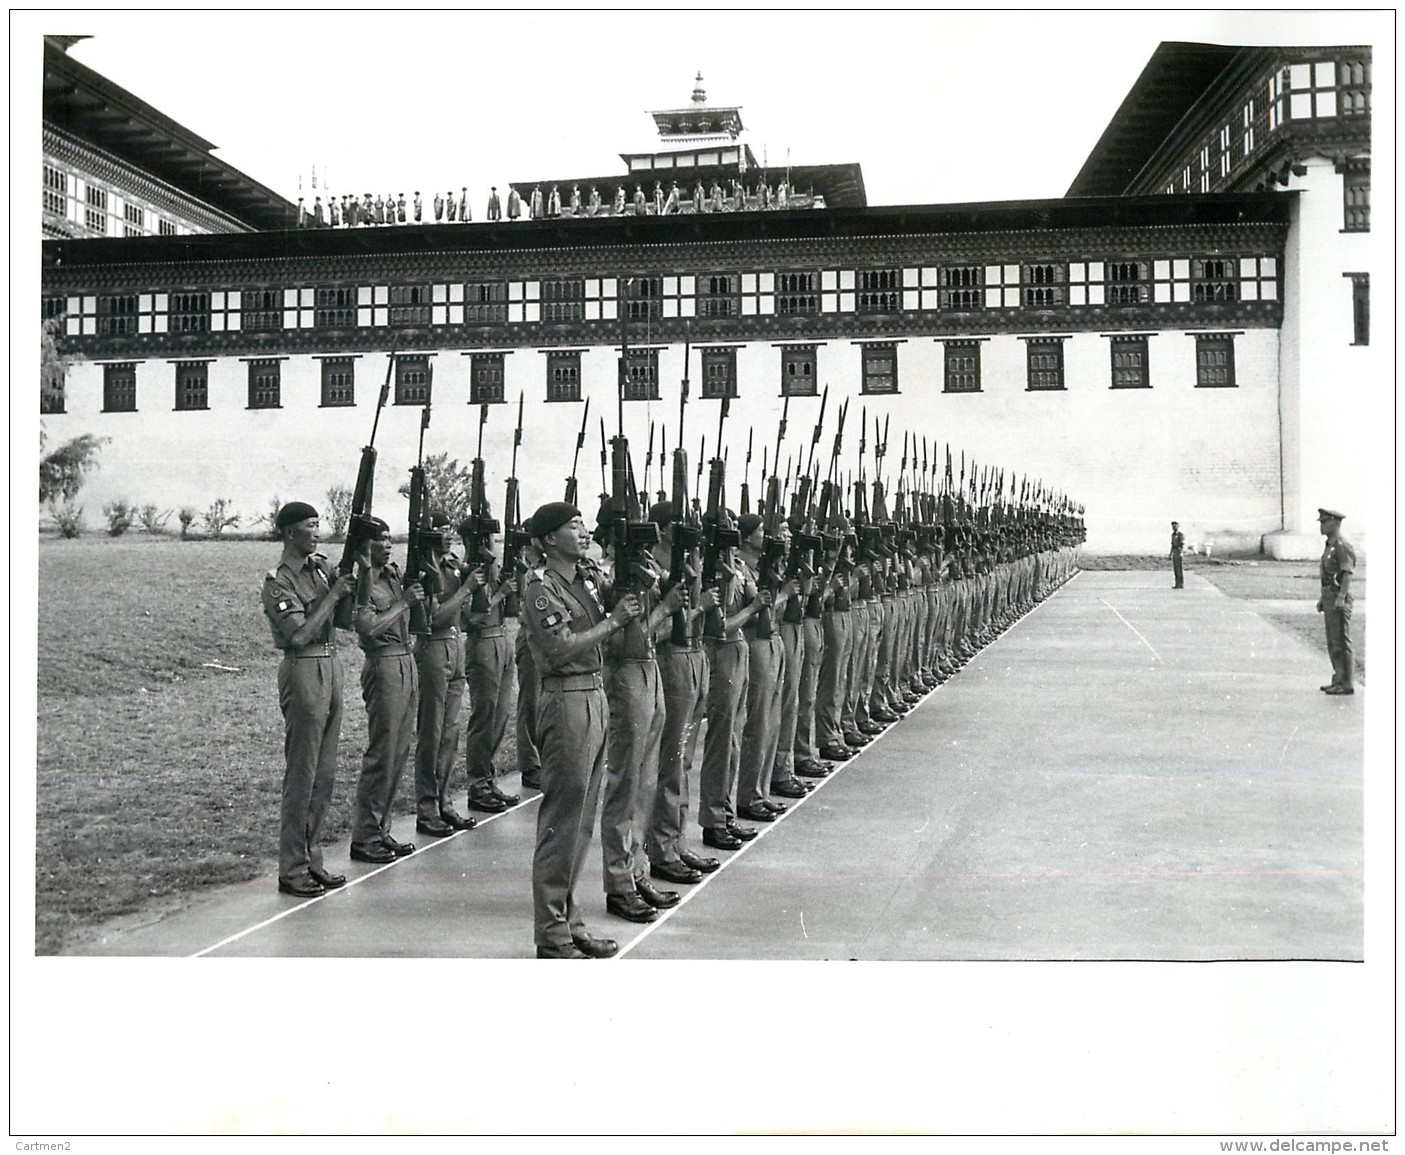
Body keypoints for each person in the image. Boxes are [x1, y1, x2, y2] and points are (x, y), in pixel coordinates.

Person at [521, 502, 644, 959]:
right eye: (574, 526)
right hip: (566, 696)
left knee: (582, 823)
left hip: (592, 693)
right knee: (562, 821)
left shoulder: (584, 582)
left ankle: (569, 921)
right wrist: (612, 621)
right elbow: (558, 649)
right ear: (550, 539)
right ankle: (551, 933)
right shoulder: (539, 588)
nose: (585, 531)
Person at [594, 500, 689, 923]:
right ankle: (618, 882)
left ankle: (637, 870)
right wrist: (663, 609)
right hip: (626, 676)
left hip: (649, 671)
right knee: (625, 784)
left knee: (647, 780)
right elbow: (617, 641)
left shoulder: (642, 572)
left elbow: (658, 628)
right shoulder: (605, 577)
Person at [261, 501, 355, 897]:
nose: (317, 532)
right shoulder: (278, 581)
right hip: (303, 667)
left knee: (325, 772)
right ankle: (292, 867)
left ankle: (311, 858)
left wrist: (355, 574)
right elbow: (298, 634)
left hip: (330, 665)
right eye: (309, 526)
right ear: (289, 533)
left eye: (318, 525)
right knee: (302, 772)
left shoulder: (320, 568)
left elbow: (347, 619)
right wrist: (333, 596)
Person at [646, 501, 720, 884]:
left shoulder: (686, 566)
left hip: (694, 659)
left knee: (685, 760)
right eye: (679, 524)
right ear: (660, 529)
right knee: (671, 760)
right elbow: (653, 629)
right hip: (671, 662)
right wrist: (696, 608)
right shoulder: (652, 571)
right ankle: (660, 848)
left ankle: (677, 841)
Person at [350, 518, 423, 864]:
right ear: (365, 546)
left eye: (389, 537)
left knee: (399, 749)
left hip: (405, 661)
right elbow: (367, 627)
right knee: (383, 750)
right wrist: (403, 603)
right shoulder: (364, 580)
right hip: (383, 663)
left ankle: (381, 828)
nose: (388, 543)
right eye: (379, 539)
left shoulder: (392, 576)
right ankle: (365, 834)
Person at [413, 511, 485, 836]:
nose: (446, 535)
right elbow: (434, 617)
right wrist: (466, 589)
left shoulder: (453, 565)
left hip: (455, 647)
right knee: (432, 733)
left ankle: (444, 800)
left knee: (450, 732)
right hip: (434, 648)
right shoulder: (425, 569)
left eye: (447, 529)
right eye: (439, 530)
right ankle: (427, 808)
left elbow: (467, 614)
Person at [459, 523, 520, 814]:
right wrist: (498, 594)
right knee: (484, 715)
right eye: (487, 541)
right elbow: (470, 620)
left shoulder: (490, 571)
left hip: (501, 640)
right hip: (482, 643)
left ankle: (488, 777)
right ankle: (478, 783)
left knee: (500, 714)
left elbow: (510, 610)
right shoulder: (467, 574)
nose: (492, 545)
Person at [1316, 508, 1356, 695]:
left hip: (1339, 598)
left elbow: (1347, 573)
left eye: (1324, 522)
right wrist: (1323, 598)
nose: (1321, 526)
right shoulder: (1330, 545)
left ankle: (1346, 683)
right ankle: (1338, 678)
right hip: (1330, 596)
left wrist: (1340, 597)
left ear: (1335, 523)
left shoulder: (1342, 545)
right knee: (1333, 641)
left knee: (1341, 639)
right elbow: (1329, 575)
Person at [1170, 521, 1185, 589]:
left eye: (1175, 526)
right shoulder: (1173, 535)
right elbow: (1172, 545)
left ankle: (1181, 584)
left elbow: (1182, 544)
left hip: (1179, 551)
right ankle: (1177, 584)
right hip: (1175, 552)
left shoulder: (1180, 535)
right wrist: (1170, 554)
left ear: (1178, 526)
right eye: (1173, 526)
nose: (1174, 528)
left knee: (1179, 569)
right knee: (1175, 569)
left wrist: (1181, 552)